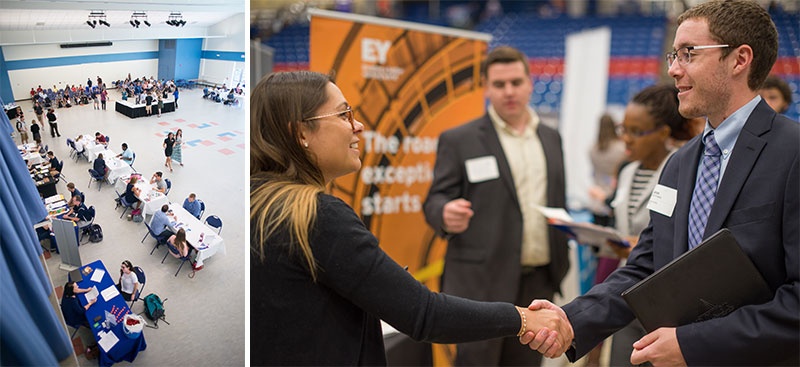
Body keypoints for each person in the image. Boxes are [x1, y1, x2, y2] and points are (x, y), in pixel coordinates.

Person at [525, 1, 799, 365]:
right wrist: (572, 319)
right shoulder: (680, 164)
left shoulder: (792, 152)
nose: (672, 69)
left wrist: (692, 343)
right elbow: (647, 266)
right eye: (673, 54)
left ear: (739, 59)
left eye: (688, 54)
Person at [250, 71, 572, 365]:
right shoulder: (318, 216)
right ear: (301, 133)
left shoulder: (256, 200)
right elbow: (424, 314)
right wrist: (523, 319)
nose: (357, 125)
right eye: (343, 114)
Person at [422, 46, 570, 366]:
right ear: (486, 87)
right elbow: (435, 200)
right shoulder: (459, 139)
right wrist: (444, 214)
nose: (509, 92)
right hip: (481, 285)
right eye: (499, 85)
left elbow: (559, 199)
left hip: (537, 283)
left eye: (516, 82)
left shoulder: (551, 137)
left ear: (530, 83)